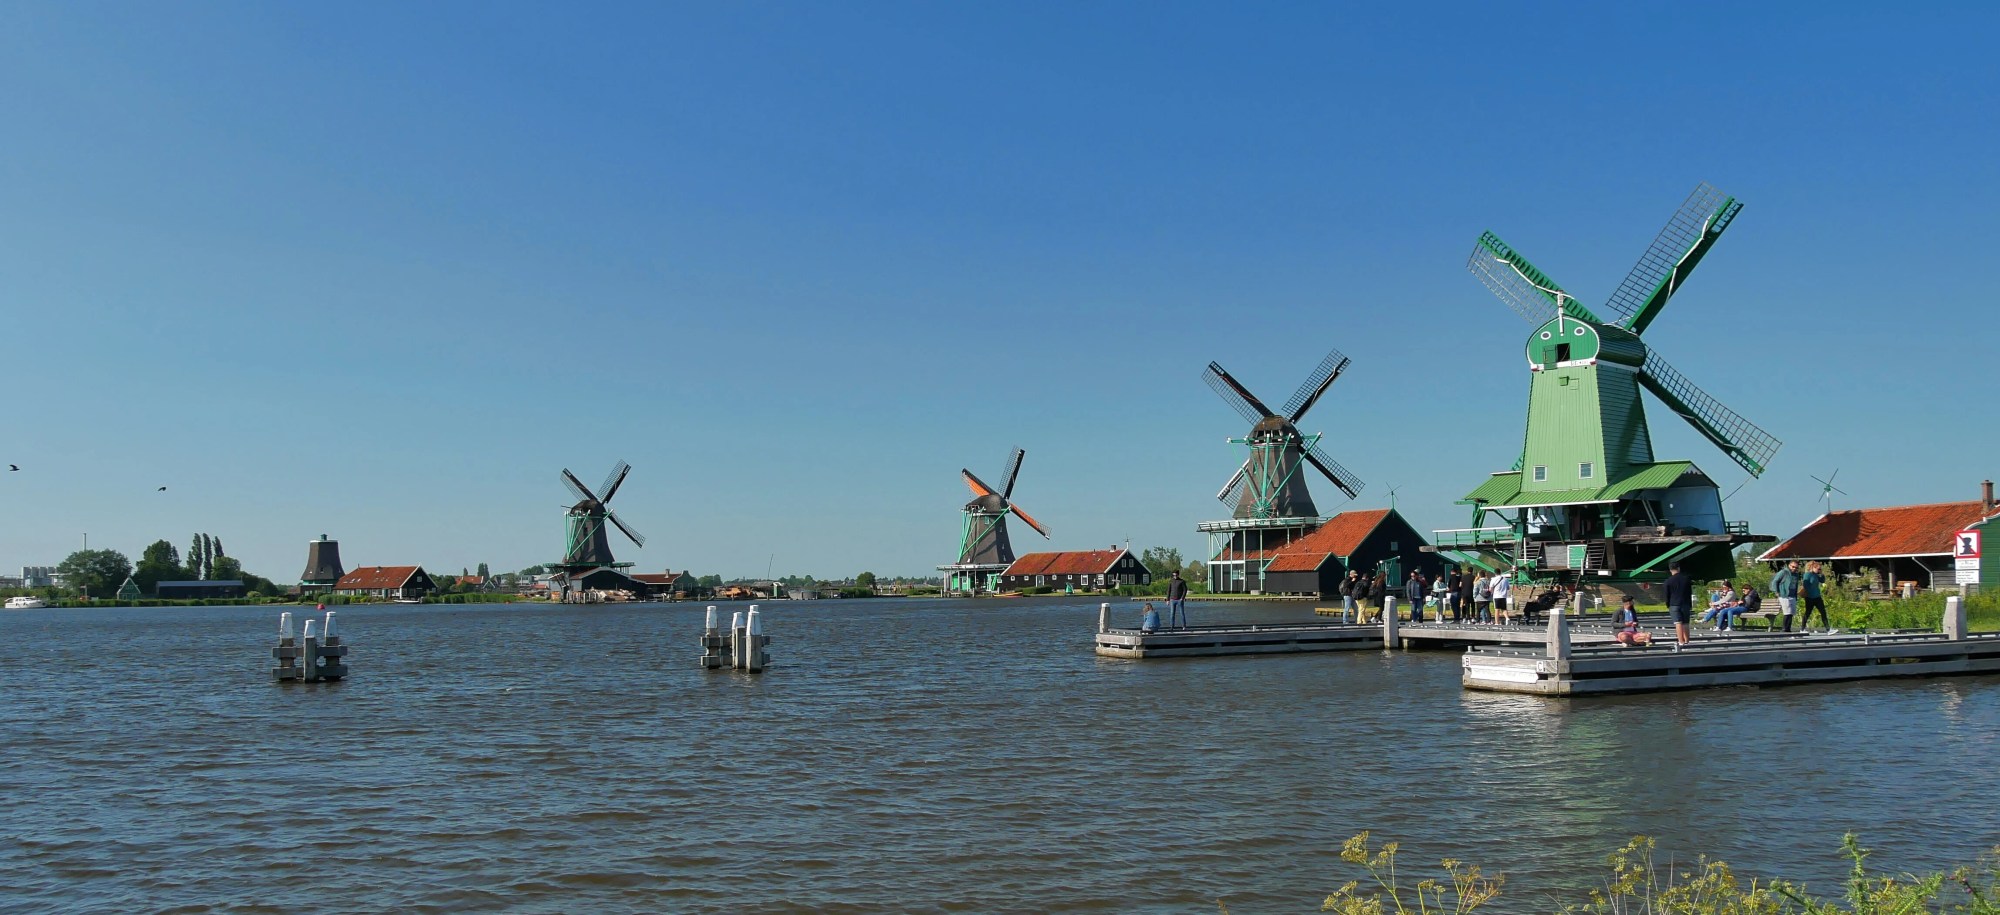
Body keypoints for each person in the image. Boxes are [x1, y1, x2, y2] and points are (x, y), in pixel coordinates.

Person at [1664, 562, 1693, 648]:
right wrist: (1689, 603)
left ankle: (1681, 642)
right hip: (1685, 603)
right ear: (1679, 568)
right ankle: (1687, 641)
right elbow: (1689, 593)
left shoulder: (1668, 581)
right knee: (1686, 623)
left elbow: (1666, 595)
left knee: (1678, 623)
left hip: (1674, 604)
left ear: (1670, 570)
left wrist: (1668, 604)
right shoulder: (1686, 579)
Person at [1771, 560, 1802, 632]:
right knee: (1787, 612)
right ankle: (1784, 628)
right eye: (1793, 567)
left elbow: (1796, 585)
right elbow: (1775, 581)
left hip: (1793, 595)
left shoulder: (1796, 574)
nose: (1794, 569)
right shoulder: (1784, 572)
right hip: (1784, 595)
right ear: (1789, 565)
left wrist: (1796, 595)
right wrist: (1777, 591)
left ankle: (1788, 628)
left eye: (1796, 568)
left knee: (1791, 612)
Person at [1800, 560, 1829, 631]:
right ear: (1812, 567)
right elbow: (1805, 584)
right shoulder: (1807, 574)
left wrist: (1821, 574)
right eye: (1818, 569)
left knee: (1823, 612)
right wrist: (1809, 592)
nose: (1819, 570)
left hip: (1817, 597)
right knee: (1808, 612)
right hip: (1809, 597)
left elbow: (1822, 580)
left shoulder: (1816, 575)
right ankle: (1802, 629)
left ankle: (1828, 629)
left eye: (1820, 569)